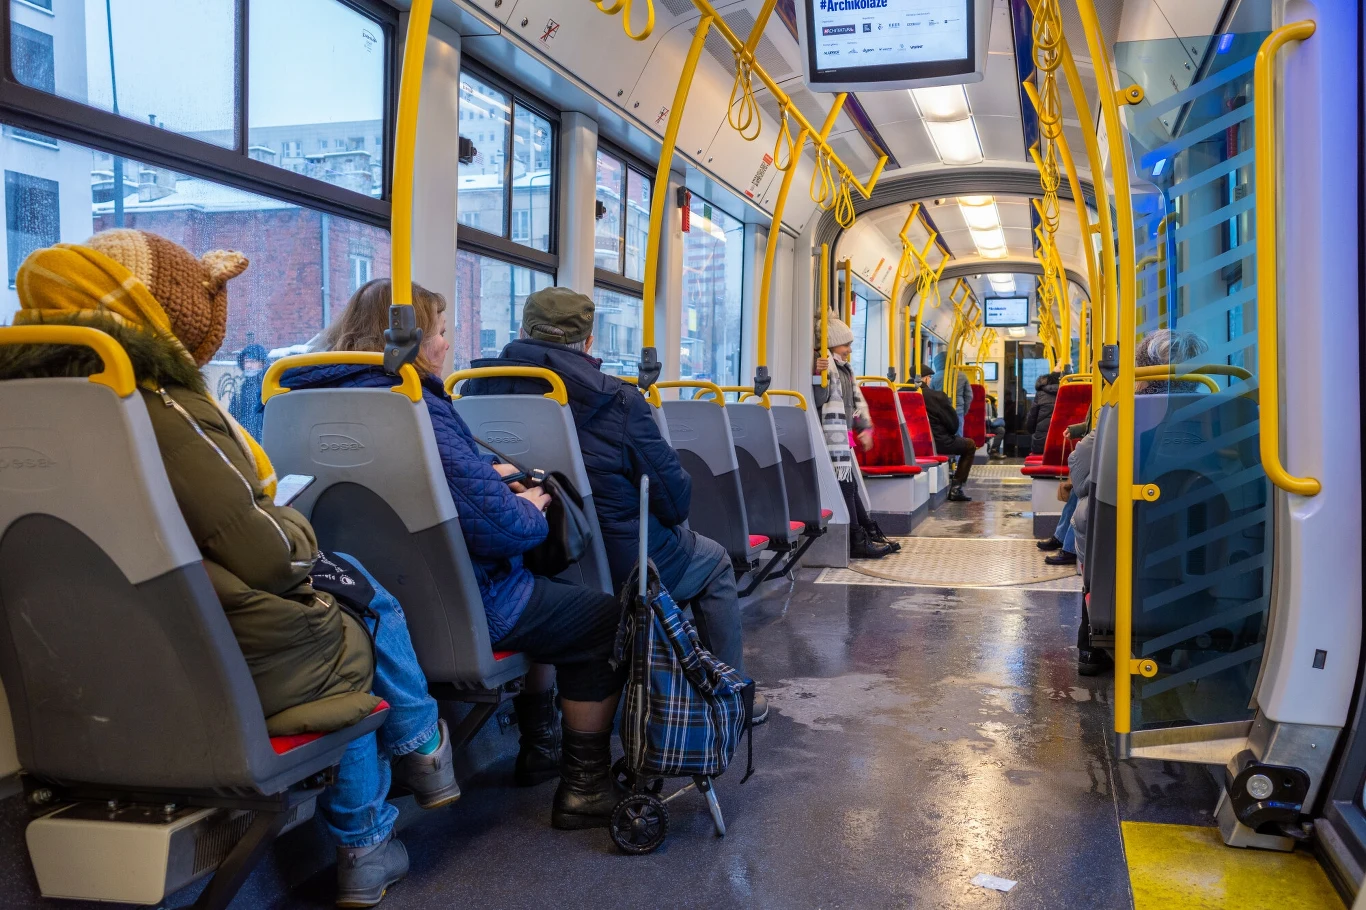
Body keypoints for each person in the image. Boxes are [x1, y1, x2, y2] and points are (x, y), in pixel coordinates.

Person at [0, 230, 457, 907]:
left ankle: (421, 753)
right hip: (223, 644)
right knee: (351, 629)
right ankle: (371, 835)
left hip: (80, 655)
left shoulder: (27, 404)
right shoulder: (160, 404)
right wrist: (299, 534)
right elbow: (264, 552)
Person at [283, 279, 634, 831]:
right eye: (441, 332)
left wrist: (487, 477)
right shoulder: (416, 404)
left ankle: (540, 746)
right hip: (464, 609)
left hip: (362, 611)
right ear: (409, 339)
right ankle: (584, 786)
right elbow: (504, 530)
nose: (447, 344)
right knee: (602, 620)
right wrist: (534, 505)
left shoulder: (294, 400)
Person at [460, 287, 768, 724]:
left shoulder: (473, 390)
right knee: (715, 561)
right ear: (588, 342)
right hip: (618, 560)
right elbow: (674, 499)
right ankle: (730, 699)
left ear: (523, 332)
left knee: (552, 577)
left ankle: (540, 728)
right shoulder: (618, 400)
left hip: (523, 550)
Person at [813, 318, 895, 559]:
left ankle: (866, 532)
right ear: (832, 344)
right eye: (845, 345)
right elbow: (819, 399)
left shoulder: (845, 370)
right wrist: (818, 373)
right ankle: (858, 538)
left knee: (851, 486)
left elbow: (854, 404)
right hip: (829, 437)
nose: (849, 350)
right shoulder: (826, 367)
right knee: (847, 487)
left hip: (843, 436)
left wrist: (864, 428)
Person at [919, 365, 975, 501]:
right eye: (930, 378)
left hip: (910, 445)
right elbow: (953, 425)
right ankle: (956, 488)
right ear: (926, 379)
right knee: (970, 445)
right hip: (938, 443)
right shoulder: (936, 397)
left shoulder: (899, 394)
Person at [228, 342, 268, 439]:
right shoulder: (240, 389)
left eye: (253, 361)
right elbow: (231, 417)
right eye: (246, 361)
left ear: (262, 363)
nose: (249, 365)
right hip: (245, 440)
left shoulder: (268, 384)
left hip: (266, 440)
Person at [930, 350, 972, 434]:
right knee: (958, 436)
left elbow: (932, 396)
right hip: (958, 410)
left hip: (941, 412)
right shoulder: (962, 375)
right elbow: (969, 396)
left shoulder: (934, 378)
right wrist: (964, 410)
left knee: (944, 435)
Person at [1025, 371, 1062, 456]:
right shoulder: (1067, 393)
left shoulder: (1040, 394)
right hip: (1064, 443)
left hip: (1041, 443)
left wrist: (1034, 432)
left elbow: (1031, 419)